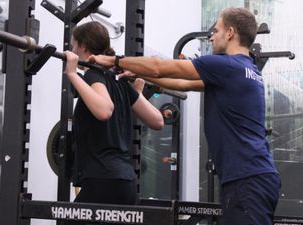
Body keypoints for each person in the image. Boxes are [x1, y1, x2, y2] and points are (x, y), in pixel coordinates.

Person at [89, 7, 281, 225]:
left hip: (247, 180)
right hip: (252, 176)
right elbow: (182, 83)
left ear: (230, 33)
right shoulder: (246, 70)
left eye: (216, 30)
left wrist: (115, 61)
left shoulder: (226, 65)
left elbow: (158, 67)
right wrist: (138, 72)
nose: (212, 36)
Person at [64, 21, 164, 206]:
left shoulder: (93, 75)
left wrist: (71, 73)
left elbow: (104, 111)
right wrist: (137, 94)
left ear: (83, 46)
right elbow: (157, 120)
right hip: (125, 182)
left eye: (73, 46)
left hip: (102, 180)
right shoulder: (120, 82)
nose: (72, 50)